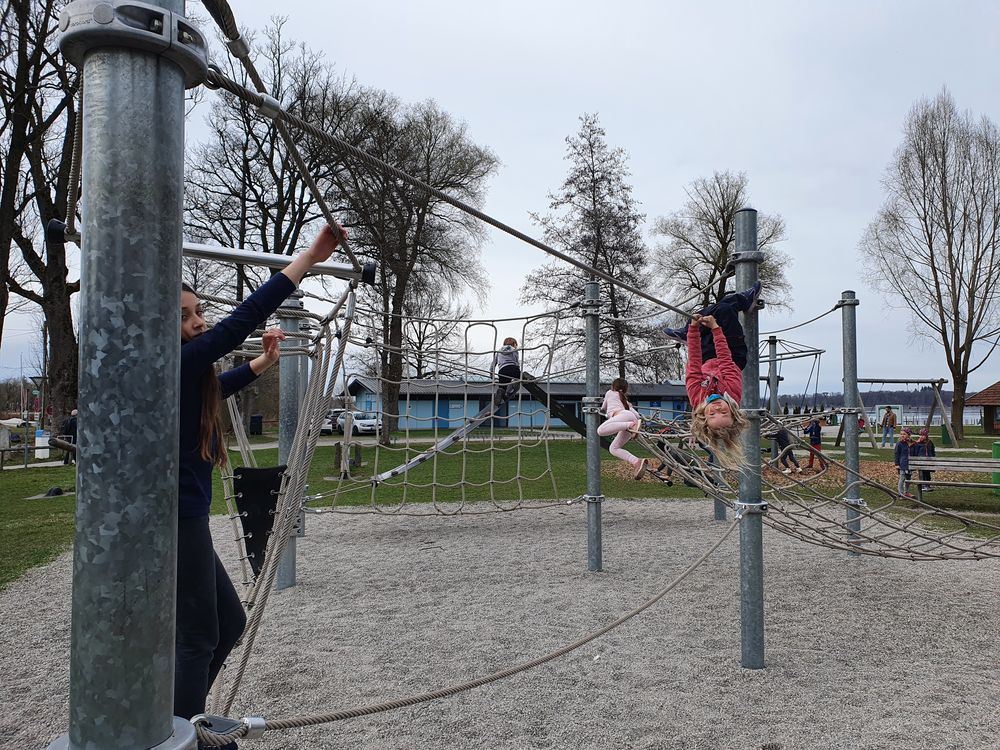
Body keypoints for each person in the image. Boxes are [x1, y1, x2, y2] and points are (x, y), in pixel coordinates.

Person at [175, 223, 347, 741]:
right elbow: (241, 320)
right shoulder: (167, 362)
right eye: (184, 316)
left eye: (198, 311)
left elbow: (218, 385)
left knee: (229, 623)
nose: (199, 322)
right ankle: (179, 730)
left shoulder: (183, 373)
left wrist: (263, 362)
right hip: (174, 518)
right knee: (199, 636)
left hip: (185, 516)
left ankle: (179, 717)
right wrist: (309, 259)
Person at [662, 283, 761, 470]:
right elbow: (725, 359)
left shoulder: (697, 397)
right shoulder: (732, 394)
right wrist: (716, 329)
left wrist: (693, 331)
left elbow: (694, 364)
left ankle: (687, 330)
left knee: (708, 316)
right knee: (724, 310)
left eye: (713, 414)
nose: (717, 408)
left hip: (707, 358)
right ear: (732, 412)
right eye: (724, 413)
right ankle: (743, 301)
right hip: (732, 352)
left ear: (703, 416)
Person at [597, 377, 649, 480]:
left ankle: (631, 425)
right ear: (625, 390)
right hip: (631, 418)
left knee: (600, 431)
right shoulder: (625, 401)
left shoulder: (609, 393)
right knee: (613, 448)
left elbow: (603, 408)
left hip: (625, 418)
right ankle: (636, 462)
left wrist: (598, 408)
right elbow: (637, 416)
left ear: (613, 386)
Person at [490, 337, 521, 405]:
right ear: (514, 344)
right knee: (518, 381)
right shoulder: (514, 350)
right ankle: (509, 393)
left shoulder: (498, 352)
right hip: (513, 368)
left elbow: (493, 364)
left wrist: (491, 374)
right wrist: (518, 370)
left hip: (502, 371)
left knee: (502, 387)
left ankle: (501, 394)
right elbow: (516, 361)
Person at [912, 427, 936, 492]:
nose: (921, 437)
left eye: (923, 435)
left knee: (927, 473)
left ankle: (928, 485)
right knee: (922, 473)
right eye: (920, 435)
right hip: (921, 461)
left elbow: (932, 451)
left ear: (926, 436)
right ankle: (923, 485)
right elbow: (915, 452)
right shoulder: (918, 443)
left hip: (928, 461)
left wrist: (933, 458)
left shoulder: (930, 442)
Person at [894, 427, 915, 498]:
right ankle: (901, 493)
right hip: (902, 464)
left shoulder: (912, 443)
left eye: (904, 434)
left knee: (908, 478)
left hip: (910, 464)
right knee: (902, 478)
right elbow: (896, 454)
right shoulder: (899, 443)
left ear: (908, 435)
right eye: (901, 434)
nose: (902, 435)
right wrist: (897, 464)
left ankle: (906, 492)